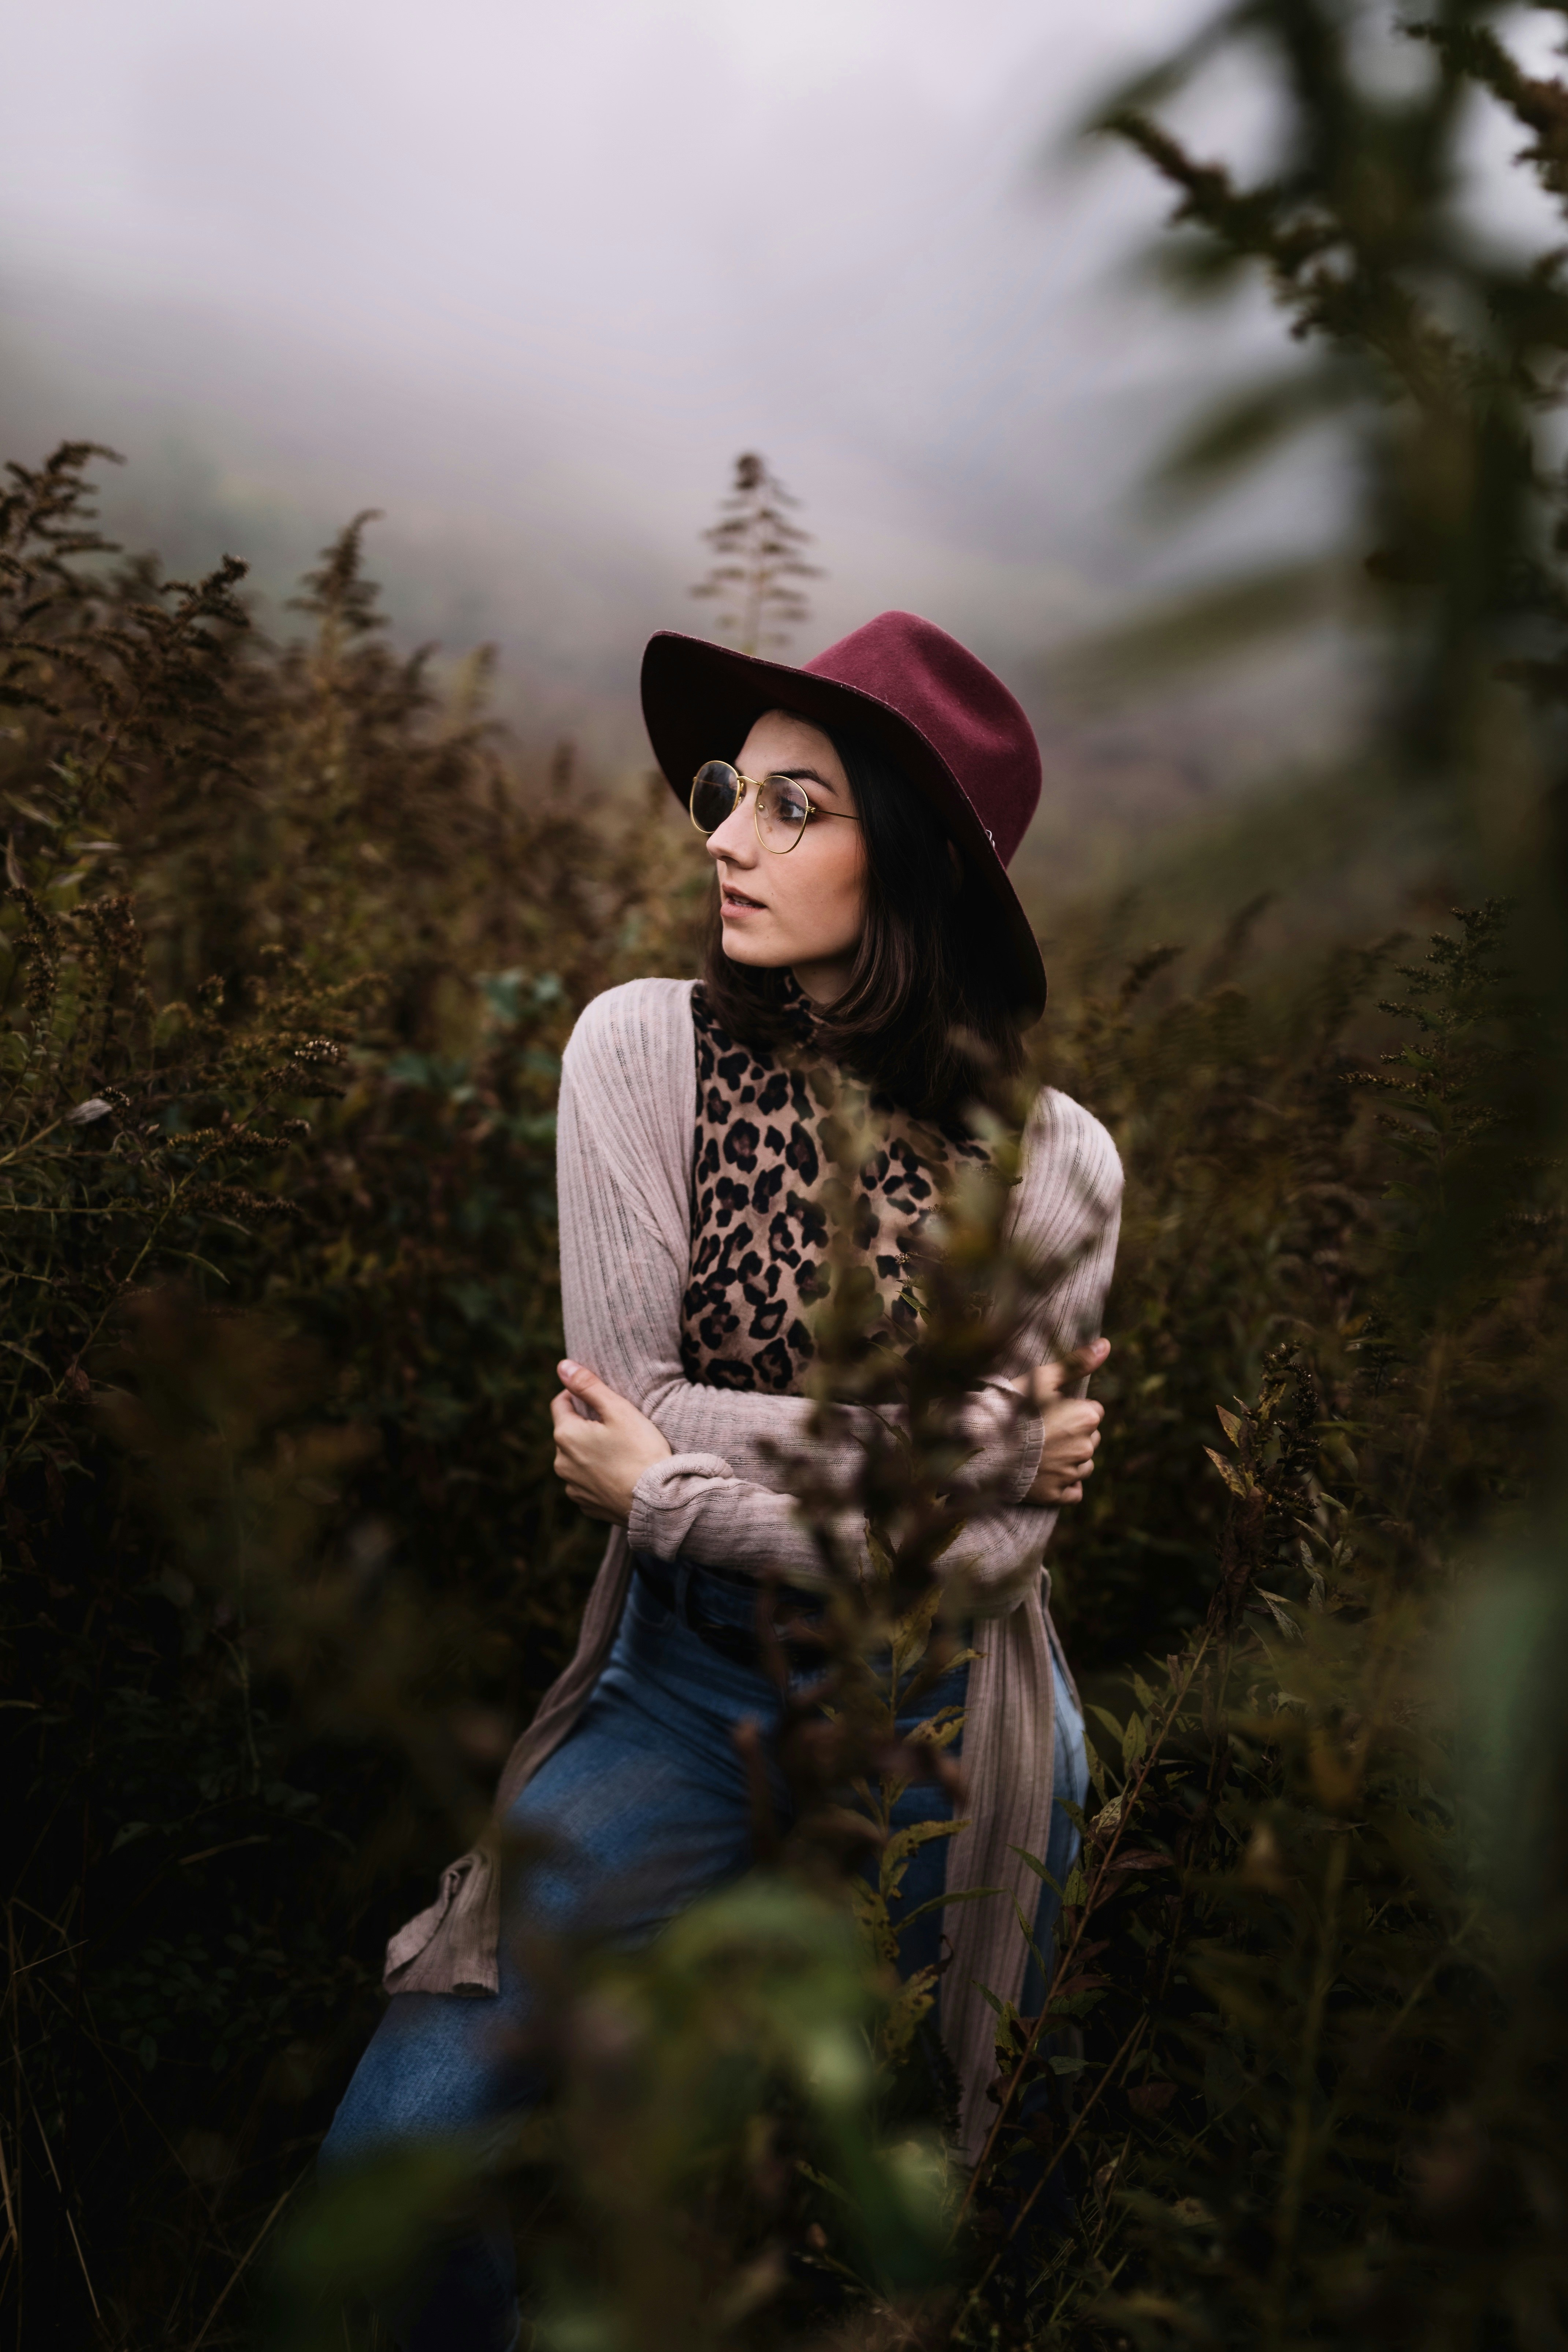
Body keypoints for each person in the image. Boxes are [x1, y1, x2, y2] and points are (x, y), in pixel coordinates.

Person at [320, 612, 1123, 2348]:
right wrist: (991, 1439)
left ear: (912, 865)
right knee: (397, 2152)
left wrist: (677, 1488)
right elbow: (636, 1403)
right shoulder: (642, 1052)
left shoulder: (1059, 1162)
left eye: (793, 805)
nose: (724, 837)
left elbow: (978, 1557)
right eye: (726, 791)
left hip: (947, 1712)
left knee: (911, 2220)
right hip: (685, 1693)